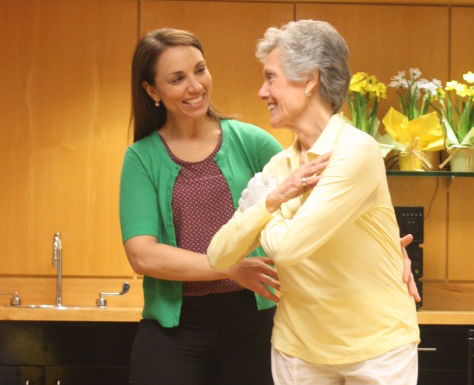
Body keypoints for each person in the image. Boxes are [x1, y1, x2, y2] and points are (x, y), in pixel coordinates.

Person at [208, 20, 420, 385]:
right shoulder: (279, 166)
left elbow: (290, 249)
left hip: (377, 350)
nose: (262, 92)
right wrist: (270, 201)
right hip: (298, 351)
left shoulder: (356, 151)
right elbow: (219, 256)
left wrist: (268, 206)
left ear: (309, 79)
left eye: (270, 78)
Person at [119, 28, 291, 385]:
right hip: (173, 333)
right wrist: (229, 268)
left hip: (256, 325)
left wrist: (384, 248)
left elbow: (315, 198)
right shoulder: (141, 158)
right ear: (152, 90)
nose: (195, 86)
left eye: (200, 70)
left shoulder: (253, 142)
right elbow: (143, 255)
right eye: (177, 78)